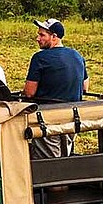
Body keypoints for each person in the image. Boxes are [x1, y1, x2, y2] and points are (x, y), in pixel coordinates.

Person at [23, 18, 89, 158]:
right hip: (72, 117)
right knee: (65, 155)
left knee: (48, 161)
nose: (37, 38)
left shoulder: (40, 58)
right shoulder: (77, 56)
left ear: (54, 37)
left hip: (47, 118)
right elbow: (85, 87)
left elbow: (29, 92)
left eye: (42, 35)